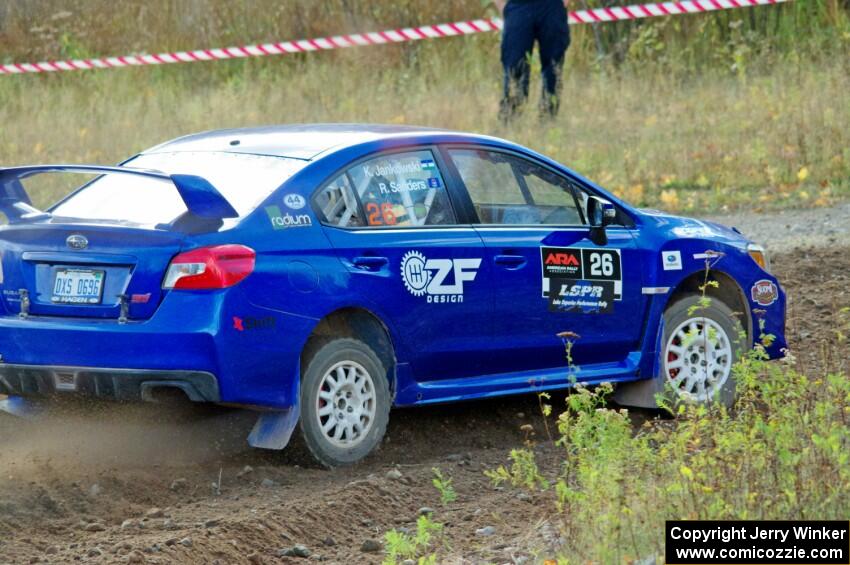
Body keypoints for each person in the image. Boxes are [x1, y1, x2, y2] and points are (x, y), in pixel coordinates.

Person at [493, 0, 571, 122]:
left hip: (551, 6)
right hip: (518, 6)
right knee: (515, 65)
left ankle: (548, 120)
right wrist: (502, 5)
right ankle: (511, 122)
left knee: (554, 66)